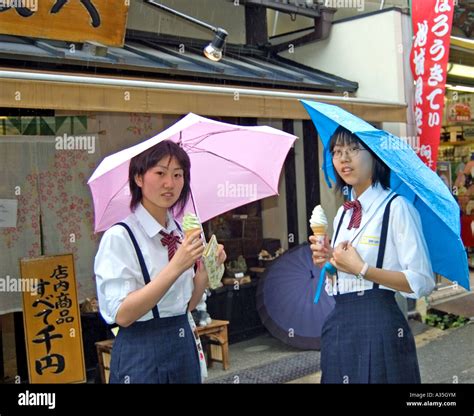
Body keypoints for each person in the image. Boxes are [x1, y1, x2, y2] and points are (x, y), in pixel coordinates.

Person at [309, 127, 435, 384]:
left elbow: (421, 281)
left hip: (379, 323)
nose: (343, 159)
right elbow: (343, 271)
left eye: (353, 150)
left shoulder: (397, 207)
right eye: (337, 152)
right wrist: (330, 262)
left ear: (375, 156)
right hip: (340, 322)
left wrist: (362, 268)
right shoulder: (343, 213)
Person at [94, 140, 226, 384]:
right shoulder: (120, 237)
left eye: (178, 174)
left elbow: (185, 305)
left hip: (183, 343)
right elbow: (122, 315)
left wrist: (206, 274)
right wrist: (177, 266)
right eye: (160, 173)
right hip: (141, 350)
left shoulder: (180, 233)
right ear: (138, 178)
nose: (170, 183)